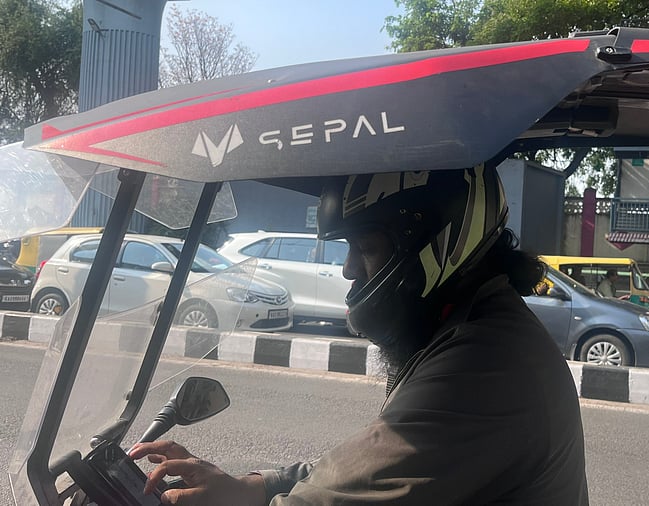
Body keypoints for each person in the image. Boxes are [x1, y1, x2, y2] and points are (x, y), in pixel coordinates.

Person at [129, 165, 589, 505]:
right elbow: (368, 467)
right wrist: (254, 486)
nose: (349, 268)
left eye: (365, 247)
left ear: (438, 243)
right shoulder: (472, 327)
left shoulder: (484, 365)